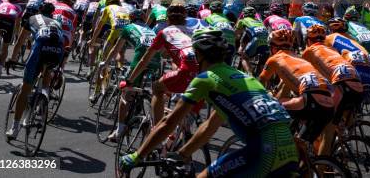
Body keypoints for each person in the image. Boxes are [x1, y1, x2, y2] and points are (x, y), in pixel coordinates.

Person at [120, 29, 299, 177]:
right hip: (289, 148)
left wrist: (137, 155)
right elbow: (209, 126)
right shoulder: (242, 78)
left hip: (263, 149)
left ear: (198, 54)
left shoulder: (206, 79)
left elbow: (169, 122)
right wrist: (181, 154)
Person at [260, 29, 335, 153]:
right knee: (302, 148)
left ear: (273, 47)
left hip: (310, 100)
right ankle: (311, 170)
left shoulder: (275, 58)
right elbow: (285, 88)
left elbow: (260, 83)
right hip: (328, 102)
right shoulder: (299, 59)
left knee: (272, 110)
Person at [125, 4, 198, 125]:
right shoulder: (192, 31)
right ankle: (183, 132)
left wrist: (130, 80)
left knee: (156, 87)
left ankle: (157, 129)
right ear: (185, 19)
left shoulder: (164, 32)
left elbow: (144, 60)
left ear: (167, 18)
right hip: (202, 70)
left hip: (186, 69)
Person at [6, 2, 65, 140]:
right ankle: (43, 95)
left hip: (41, 47)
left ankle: (14, 128)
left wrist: (12, 58)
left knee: (25, 89)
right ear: (52, 13)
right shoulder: (57, 23)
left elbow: (20, 41)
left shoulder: (32, 18)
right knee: (46, 73)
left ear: (39, 10)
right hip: (58, 50)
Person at [101, 8, 161, 142]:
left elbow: (116, 49)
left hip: (141, 59)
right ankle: (142, 111)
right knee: (143, 90)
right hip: (156, 60)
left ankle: (119, 129)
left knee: (125, 92)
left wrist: (105, 63)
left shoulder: (128, 28)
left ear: (131, 18)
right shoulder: (150, 30)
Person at [0, 0, 22, 77]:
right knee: (5, 47)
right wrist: (16, 34)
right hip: (10, 23)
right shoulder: (19, 7)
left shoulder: (2, 3)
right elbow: (18, 23)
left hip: (0, 20)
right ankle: (0, 67)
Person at [235, 6, 269, 74]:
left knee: (244, 57)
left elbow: (236, 34)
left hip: (255, 40)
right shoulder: (259, 22)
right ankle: (264, 81)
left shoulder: (242, 20)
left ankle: (250, 74)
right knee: (262, 63)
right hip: (266, 42)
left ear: (244, 14)